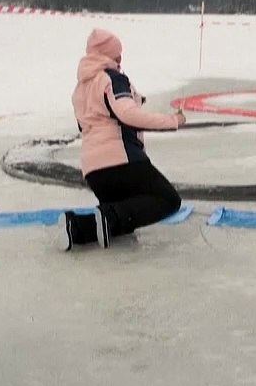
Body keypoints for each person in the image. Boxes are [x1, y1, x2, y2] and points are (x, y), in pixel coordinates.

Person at [63, 28, 185, 249]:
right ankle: (108, 217)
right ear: (107, 55)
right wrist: (173, 120)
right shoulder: (112, 78)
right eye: (117, 54)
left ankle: (78, 227)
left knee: (119, 227)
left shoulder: (80, 88)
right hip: (121, 161)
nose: (120, 59)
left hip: (93, 171)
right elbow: (127, 114)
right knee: (168, 199)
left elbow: (85, 125)